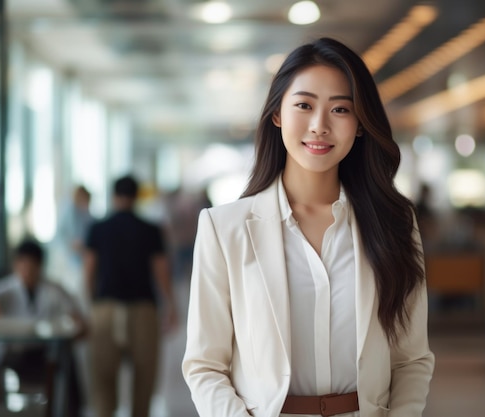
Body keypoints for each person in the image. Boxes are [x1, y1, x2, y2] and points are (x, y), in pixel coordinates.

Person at [182, 37, 434, 417]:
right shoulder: (224, 229)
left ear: (361, 125)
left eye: (340, 109)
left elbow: (410, 359)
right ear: (277, 114)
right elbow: (204, 365)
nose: (319, 126)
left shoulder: (394, 224)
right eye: (304, 105)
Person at [84, 175, 178, 417]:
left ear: (114, 197)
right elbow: (161, 271)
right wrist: (171, 305)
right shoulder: (150, 230)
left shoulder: (98, 228)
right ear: (136, 197)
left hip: (106, 308)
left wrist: (91, 306)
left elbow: (89, 271)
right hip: (143, 310)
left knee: (103, 380)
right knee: (144, 380)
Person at [0, 239, 87, 416]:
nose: (27, 271)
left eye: (32, 265)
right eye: (22, 264)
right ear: (15, 265)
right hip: (13, 354)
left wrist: (75, 324)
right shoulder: (7, 289)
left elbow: (79, 321)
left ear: (40, 266)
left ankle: (65, 411)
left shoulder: (53, 289)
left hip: (43, 355)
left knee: (66, 364)